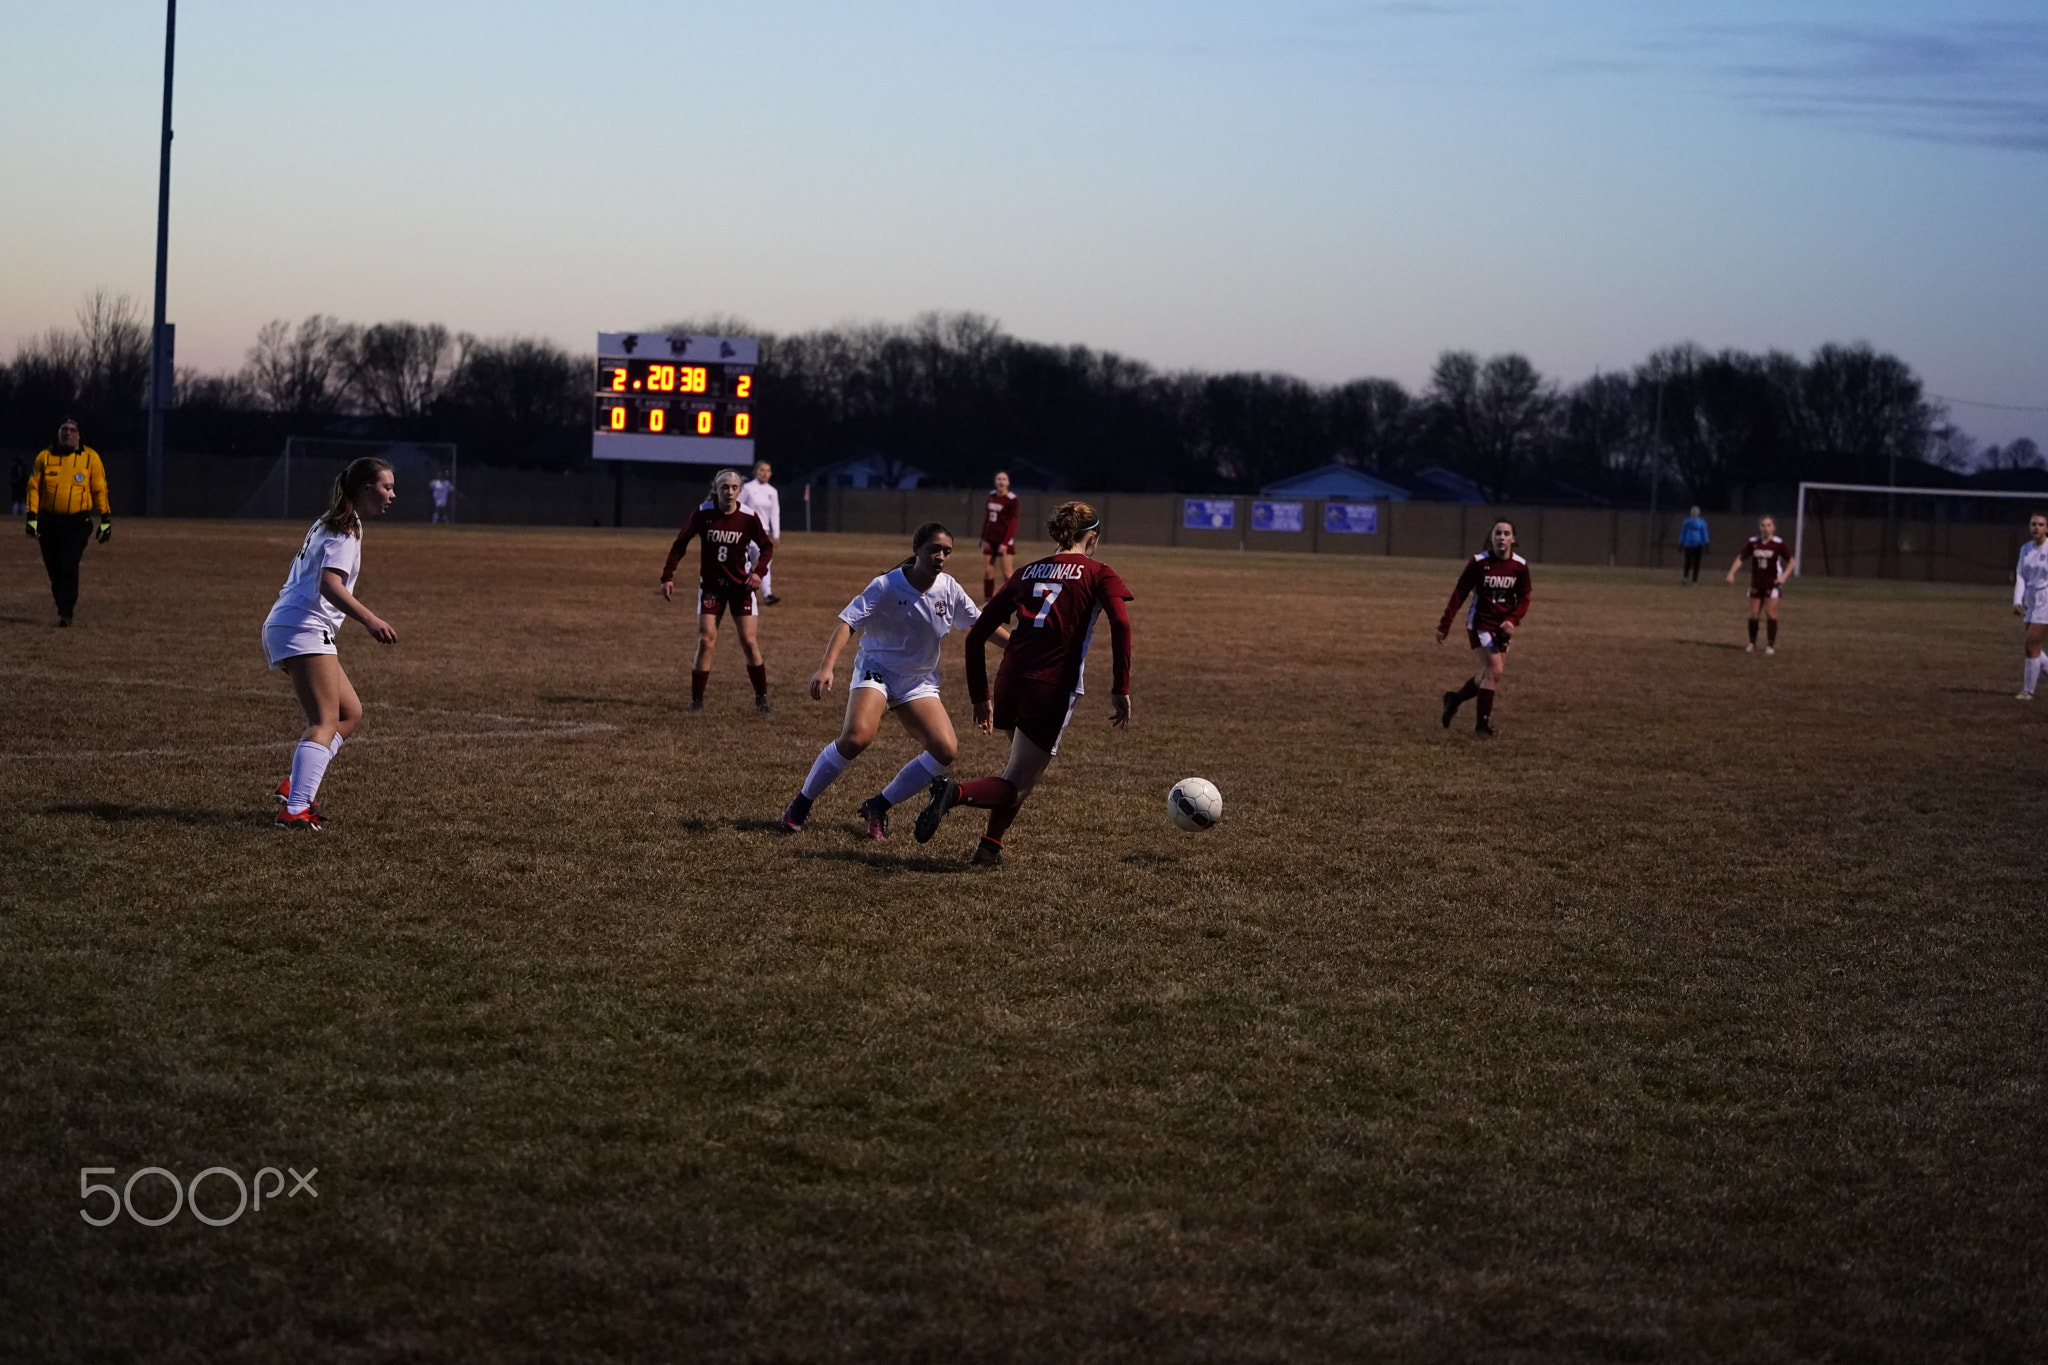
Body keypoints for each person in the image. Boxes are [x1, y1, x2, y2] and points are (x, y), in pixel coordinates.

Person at [914, 501, 1133, 866]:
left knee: (1020, 771)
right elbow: (1122, 625)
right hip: (1050, 687)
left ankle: (989, 847)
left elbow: (976, 635)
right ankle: (954, 793)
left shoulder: (1027, 572)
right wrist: (1120, 687)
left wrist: (980, 696)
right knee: (1017, 782)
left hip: (1009, 681)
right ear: (1091, 537)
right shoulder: (1100, 573)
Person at [779, 522, 1007, 838]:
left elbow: (979, 625)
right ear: (917, 551)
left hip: (918, 682)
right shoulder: (887, 585)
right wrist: (826, 668)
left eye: (947, 552)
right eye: (934, 549)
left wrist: (1016, 647)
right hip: (878, 670)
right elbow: (847, 624)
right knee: (857, 736)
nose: (940, 556)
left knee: (945, 750)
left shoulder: (949, 588)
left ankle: (878, 806)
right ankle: (800, 806)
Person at [262, 457, 399, 831]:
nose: (392, 494)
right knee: (324, 721)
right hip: (302, 627)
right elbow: (329, 585)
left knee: (349, 713)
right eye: (386, 487)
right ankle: (295, 810)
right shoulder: (344, 529)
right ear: (366, 488)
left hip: (295, 625)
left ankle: (297, 784)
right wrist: (371, 620)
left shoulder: (337, 520)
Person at [661, 468, 775, 713]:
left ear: (740, 491)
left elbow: (767, 548)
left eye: (735, 488)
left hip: (741, 588)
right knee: (706, 640)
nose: (730, 492)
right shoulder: (703, 514)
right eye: (725, 487)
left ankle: (762, 698)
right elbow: (680, 544)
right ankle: (697, 702)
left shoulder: (748, 516)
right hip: (712, 587)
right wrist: (668, 576)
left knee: (748, 641)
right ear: (717, 489)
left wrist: (758, 573)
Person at [1436, 519, 1532, 739]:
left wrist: (1513, 620)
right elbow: (1459, 592)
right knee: (1495, 670)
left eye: (1506, 533)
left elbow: (1524, 598)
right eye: (1498, 533)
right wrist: (1445, 624)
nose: (1502, 537)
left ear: (1513, 539)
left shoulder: (1520, 566)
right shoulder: (1479, 563)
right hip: (1480, 624)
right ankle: (1482, 727)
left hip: (1502, 627)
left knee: (1490, 675)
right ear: (1492, 537)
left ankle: (1455, 699)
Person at [24, 418, 112, 627]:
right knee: (54, 569)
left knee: (69, 565)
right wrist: (31, 517)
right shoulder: (45, 457)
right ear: (58, 433)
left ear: (79, 435)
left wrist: (105, 519)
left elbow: (99, 488)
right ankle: (62, 603)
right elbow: (33, 488)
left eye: (72, 430)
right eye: (64, 430)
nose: (68, 434)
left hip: (77, 522)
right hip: (48, 521)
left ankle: (66, 612)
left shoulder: (90, 458)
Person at [1726, 515, 1795, 654]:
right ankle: (1752, 643)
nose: (1766, 528)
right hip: (1756, 583)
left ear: (1773, 527)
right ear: (1760, 527)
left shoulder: (1779, 544)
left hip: (1773, 584)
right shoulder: (1753, 542)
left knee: (1770, 612)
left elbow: (1791, 561)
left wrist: (1783, 577)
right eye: (1763, 525)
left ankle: (1770, 645)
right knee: (1754, 614)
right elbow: (1741, 558)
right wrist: (1731, 573)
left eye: (1769, 525)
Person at [2012, 513, 2048, 700]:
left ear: (2047, 528)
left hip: (2046, 600)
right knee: (2034, 647)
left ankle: (2028, 691)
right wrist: (2017, 600)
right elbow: (2021, 576)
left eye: (2041, 524)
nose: (2036, 527)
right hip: (2031, 602)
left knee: (2031, 643)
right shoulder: (2025, 549)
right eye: (2033, 524)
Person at [738, 459, 782, 605]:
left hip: (762, 532)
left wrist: (776, 534)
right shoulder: (748, 488)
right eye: (762, 470)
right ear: (756, 471)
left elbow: (775, 513)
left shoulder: (772, 491)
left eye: (767, 470)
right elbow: (737, 506)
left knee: (764, 560)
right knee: (745, 562)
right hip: (747, 531)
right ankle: (740, 587)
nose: (765, 473)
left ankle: (767, 594)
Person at [979, 470, 1019, 600]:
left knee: (1007, 572)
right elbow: (987, 518)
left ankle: (1012, 600)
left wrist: (1005, 542)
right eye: (998, 479)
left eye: (1004, 479)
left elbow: (1013, 522)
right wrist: (983, 537)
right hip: (990, 539)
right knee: (988, 571)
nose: (1001, 481)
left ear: (1008, 482)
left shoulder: (1012, 499)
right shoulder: (991, 495)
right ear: (995, 481)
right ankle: (988, 600)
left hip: (1004, 541)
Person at [1679, 506, 1710, 585]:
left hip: (1698, 545)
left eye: (1696, 511)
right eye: (1693, 511)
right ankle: (1685, 578)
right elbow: (1683, 532)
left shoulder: (1701, 522)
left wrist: (1706, 543)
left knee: (1696, 563)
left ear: (1698, 513)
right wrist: (1681, 543)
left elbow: (1704, 533)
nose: (1694, 513)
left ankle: (1694, 580)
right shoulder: (1687, 521)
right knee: (1687, 562)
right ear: (1691, 512)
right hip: (1688, 544)